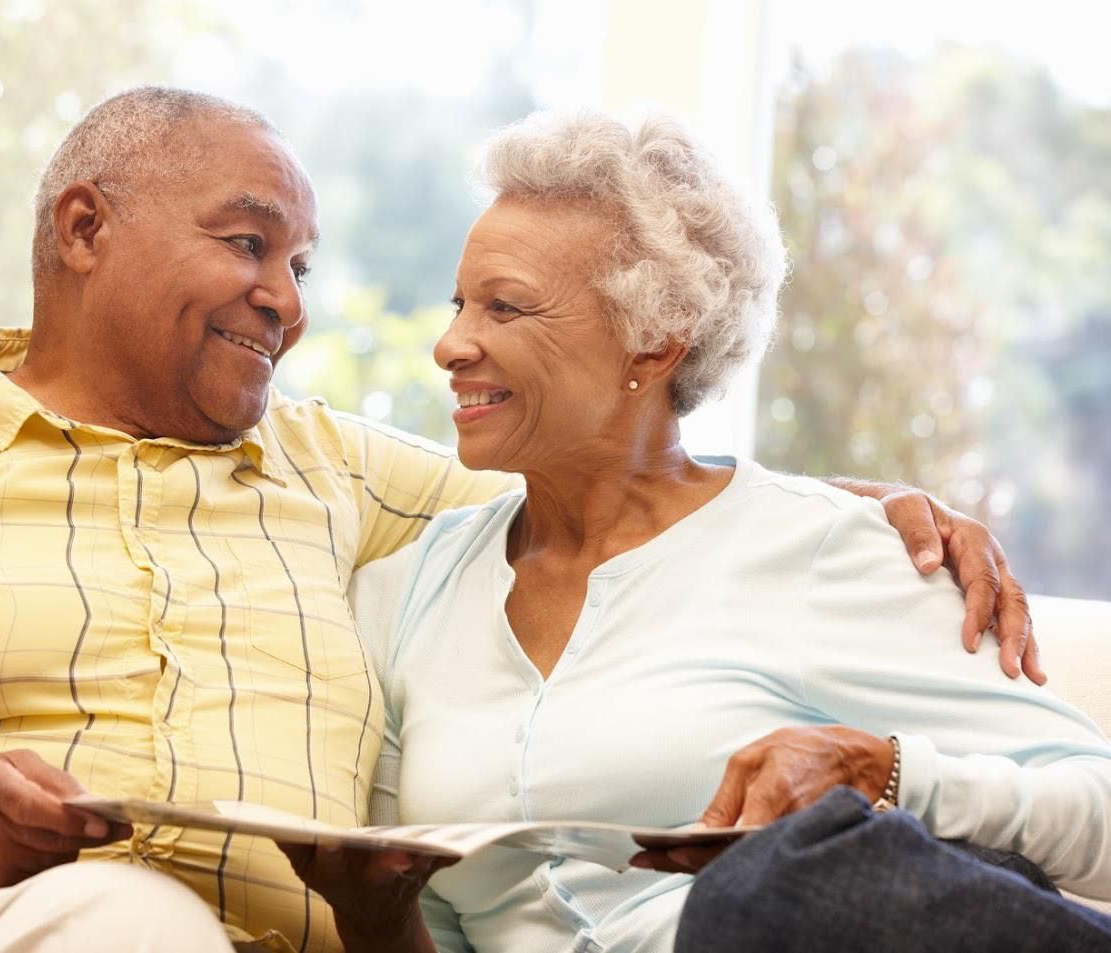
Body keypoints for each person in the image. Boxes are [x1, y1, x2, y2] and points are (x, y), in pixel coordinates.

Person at [0, 88, 1042, 953]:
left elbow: (619, 485)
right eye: (248, 242)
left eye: (301, 264)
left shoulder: (346, 480)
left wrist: (863, 506)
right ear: (82, 227)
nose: (289, 298)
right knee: (127, 922)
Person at [280, 109, 1111, 952]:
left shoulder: (821, 549)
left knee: (763, 891)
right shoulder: (408, 590)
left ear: (652, 345)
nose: (450, 344)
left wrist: (885, 771)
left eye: (507, 308)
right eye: (460, 303)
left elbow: (1099, 808)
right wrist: (372, 915)